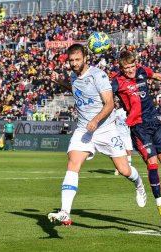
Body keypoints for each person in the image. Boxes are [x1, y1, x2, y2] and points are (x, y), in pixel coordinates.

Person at [48, 44, 147, 226]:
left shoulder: (98, 75)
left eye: (78, 60)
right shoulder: (73, 75)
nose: (75, 63)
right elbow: (77, 91)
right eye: (71, 60)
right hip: (84, 129)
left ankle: (139, 185)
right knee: (73, 162)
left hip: (106, 129)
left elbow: (109, 103)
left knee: (124, 170)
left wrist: (96, 120)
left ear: (85, 58)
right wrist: (61, 82)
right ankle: (65, 212)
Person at [111, 50, 161, 222]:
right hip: (138, 127)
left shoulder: (142, 71)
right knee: (152, 163)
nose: (131, 70)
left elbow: (158, 77)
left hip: (154, 123)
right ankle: (160, 203)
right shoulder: (117, 81)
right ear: (121, 67)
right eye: (127, 67)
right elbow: (105, 96)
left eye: (133, 66)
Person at [114, 101, 134, 176]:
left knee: (128, 152)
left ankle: (129, 167)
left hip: (127, 135)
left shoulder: (129, 112)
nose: (117, 105)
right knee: (119, 152)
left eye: (117, 104)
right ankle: (117, 169)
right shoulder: (118, 111)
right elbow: (112, 119)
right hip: (119, 135)